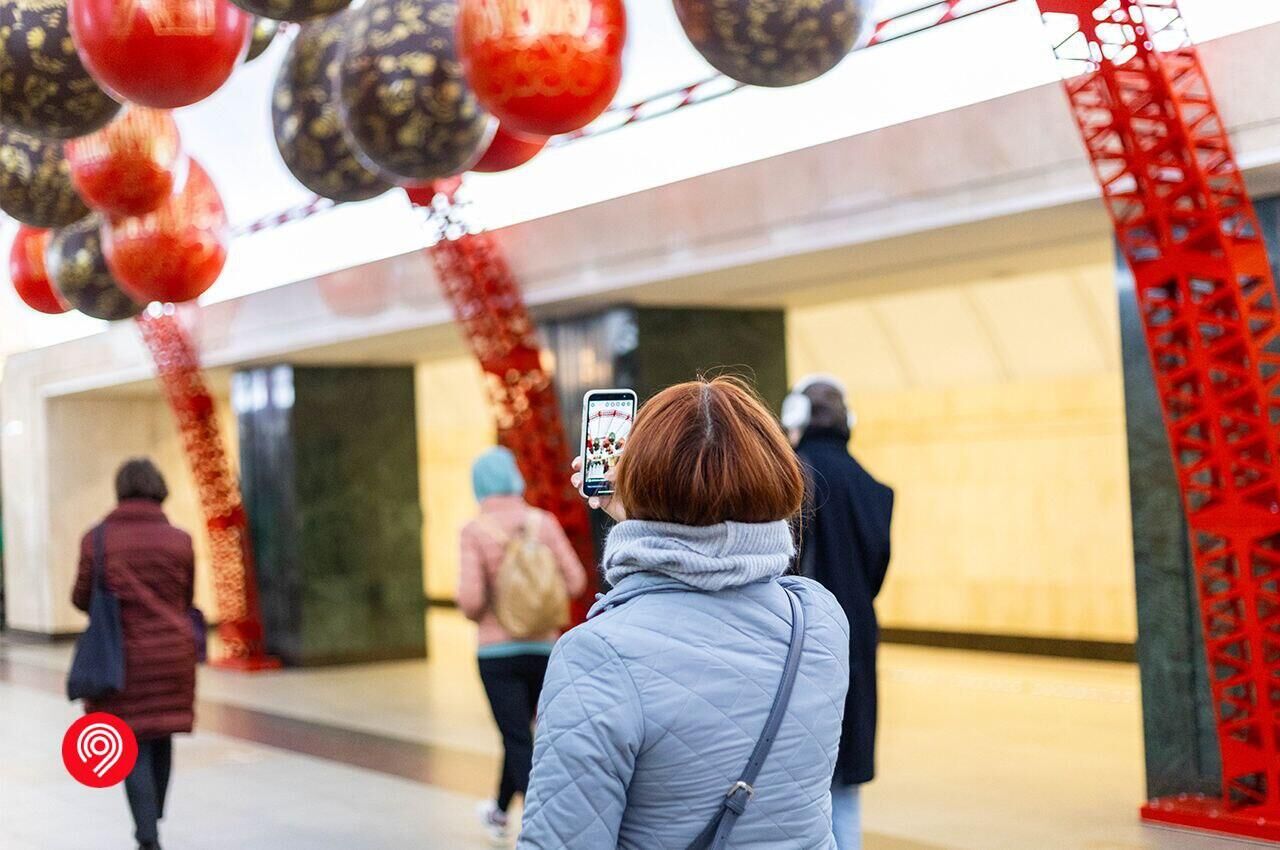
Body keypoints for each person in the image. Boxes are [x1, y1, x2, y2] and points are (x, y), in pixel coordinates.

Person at [518, 377, 851, 849]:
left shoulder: (595, 656)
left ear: (641, 487)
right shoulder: (818, 620)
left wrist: (639, 514)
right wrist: (646, 515)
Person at [782, 375, 895, 850]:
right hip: (856, 637)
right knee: (845, 778)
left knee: (799, 778)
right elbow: (875, 570)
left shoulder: (790, 482)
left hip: (797, 639)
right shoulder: (871, 488)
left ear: (795, 420)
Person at [459, 446, 587, 843]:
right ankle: (498, 812)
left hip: (497, 654)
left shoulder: (475, 531)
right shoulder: (543, 523)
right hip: (546, 651)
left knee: (515, 736)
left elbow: (469, 601)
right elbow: (577, 582)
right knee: (520, 733)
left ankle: (540, 827)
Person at [71, 458, 197, 850]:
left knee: (132, 741)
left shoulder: (98, 539)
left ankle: (147, 835)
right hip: (174, 653)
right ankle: (153, 815)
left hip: (122, 657)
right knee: (161, 734)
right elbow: (186, 598)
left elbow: (81, 597)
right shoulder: (180, 539)